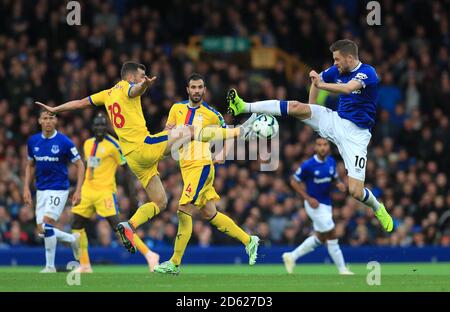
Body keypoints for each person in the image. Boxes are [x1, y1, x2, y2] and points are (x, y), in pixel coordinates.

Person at [36, 61, 256, 254]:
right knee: (188, 130)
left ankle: (129, 226)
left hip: (133, 159)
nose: (143, 78)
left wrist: (55, 108)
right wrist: (145, 85)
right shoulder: (128, 88)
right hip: (144, 146)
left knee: (160, 201)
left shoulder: (106, 94)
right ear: (131, 76)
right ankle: (240, 131)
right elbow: (135, 90)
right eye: (141, 75)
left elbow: (81, 102)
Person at [226, 39, 393, 232]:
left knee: (355, 191)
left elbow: (347, 88)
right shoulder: (336, 70)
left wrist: (321, 85)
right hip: (336, 120)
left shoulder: (368, 72)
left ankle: (377, 207)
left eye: (338, 59)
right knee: (297, 107)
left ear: (349, 57)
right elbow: (316, 82)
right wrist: (310, 109)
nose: (335, 63)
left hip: (357, 135)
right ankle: (244, 106)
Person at [154, 74, 259, 274]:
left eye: (200, 87)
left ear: (204, 90)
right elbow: (165, 133)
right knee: (210, 213)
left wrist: (222, 153)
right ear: (187, 89)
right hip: (186, 168)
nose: (196, 91)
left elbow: (229, 132)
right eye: (193, 87)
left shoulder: (211, 114)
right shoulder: (176, 109)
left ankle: (174, 263)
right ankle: (249, 240)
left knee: (183, 209)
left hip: (201, 166)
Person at [71, 113, 160, 273]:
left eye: (102, 125)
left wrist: (131, 194)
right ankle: (84, 265)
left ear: (106, 127)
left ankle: (150, 254)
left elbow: (126, 170)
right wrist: (77, 189)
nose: (99, 128)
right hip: (87, 190)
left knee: (118, 227)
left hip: (105, 192)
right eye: (97, 125)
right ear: (93, 127)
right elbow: (87, 167)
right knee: (76, 226)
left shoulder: (114, 145)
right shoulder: (87, 143)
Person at [23, 110, 84, 273]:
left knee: (46, 224)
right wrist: (26, 188)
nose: (48, 121)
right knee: (42, 231)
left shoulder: (64, 142)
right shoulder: (33, 141)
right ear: (39, 121)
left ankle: (50, 266)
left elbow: (80, 164)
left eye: (51, 118)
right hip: (41, 189)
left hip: (59, 189)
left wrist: (78, 190)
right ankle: (72, 239)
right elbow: (30, 165)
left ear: (55, 121)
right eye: (45, 118)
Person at [282, 137, 353, 275]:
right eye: (319, 145)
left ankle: (291, 256)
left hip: (326, 205)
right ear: (315, 148)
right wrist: (307, 198)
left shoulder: (331, 162)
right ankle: (343, 269)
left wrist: (338, 183)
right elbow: (294, 182)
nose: (322, 147)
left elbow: (334, 177)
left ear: (328, 147)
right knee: (332, 234)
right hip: (314, 205)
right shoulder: (308, 165)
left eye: (325, 145)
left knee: (320, 238)